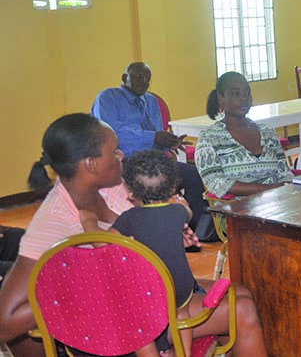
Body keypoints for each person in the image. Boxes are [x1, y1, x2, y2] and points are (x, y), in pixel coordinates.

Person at [0, 113, 269, 357]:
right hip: (125, 321)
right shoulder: (52, 223)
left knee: (240, 292)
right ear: (92, 164)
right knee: (241, 310)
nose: (121, 154)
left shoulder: (113, 186)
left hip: (148, 292)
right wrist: (84, 294)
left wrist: (164, 229)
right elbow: (7, 321)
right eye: (113, 151)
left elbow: (131, 232)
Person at [81, 149, 198, 357]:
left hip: (150, 290)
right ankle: (184, 352)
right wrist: (181, 202)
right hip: (182, 285)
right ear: (171, 188)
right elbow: (188, 211)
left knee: (138, 320)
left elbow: (103, 244)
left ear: (131, 194)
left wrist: (88, 221)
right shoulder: (178, 212)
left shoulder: (131, 217)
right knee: (182, 314)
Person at [91, 62, 209, 239]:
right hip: (124, 161)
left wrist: (169, 142)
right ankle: (155, 234)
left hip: (155, 160)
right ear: (125, 78)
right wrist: (153, 137)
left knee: (193, 176)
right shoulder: (108, 98)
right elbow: (112, 133)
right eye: (139, 76)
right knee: (152, 185)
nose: (144, 81)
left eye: (147, 78)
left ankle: (193, 231)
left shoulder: (151, 101)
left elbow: (157, 133)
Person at [194, 72, 293, 198]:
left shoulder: (267, 132)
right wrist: (270, 189)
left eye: (247, 92)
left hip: (277, 204)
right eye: (236, 93)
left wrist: (286, 189)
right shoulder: (209, 138)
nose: (244, 98)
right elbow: (217, 183)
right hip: (236, 211)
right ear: (221, 99)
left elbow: (284, 172)